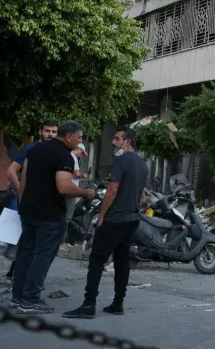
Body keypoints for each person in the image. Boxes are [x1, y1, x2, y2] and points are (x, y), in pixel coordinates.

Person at [65, 128, 148, 319]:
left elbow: (112, 190)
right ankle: (118, 303)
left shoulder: (122, 160)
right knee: (122, 260)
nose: (113, 142)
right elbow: (142, 196)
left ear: (127, 142)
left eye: (117, 139)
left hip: (115, 219)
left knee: (96, 260)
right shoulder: (142, 164)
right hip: (131, 219)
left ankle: (88, 304)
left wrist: (102, 215)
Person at [13, 121, 95, 314]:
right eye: (79, 137)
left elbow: (23, 180)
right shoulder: (63, 155)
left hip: (28, 211)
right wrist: (86, 193)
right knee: (42, 255)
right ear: (69, 137)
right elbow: (64, 188)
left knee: (25, 253)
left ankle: (17, 297)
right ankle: (31, 299)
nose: (80, 141)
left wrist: (22, 204)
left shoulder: (35, 150)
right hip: (49, 215)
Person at [6, 120, 59, 211]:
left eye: (53, 132)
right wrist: (21, 192)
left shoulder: (57, 151)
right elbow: (11, 171)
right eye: (47, 131)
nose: (50, 134)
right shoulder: (30, 149)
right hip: (23, 198)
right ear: (40, 132)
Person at [65, 142, 89, 225]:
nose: (81, 155)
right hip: (71, 190)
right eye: (82, 153)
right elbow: (77, 174)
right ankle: (64, 236)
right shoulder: (73, 157)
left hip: (67, 188)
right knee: (67, 217)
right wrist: (84, 175)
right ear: (78, 149)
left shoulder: (68, 156)